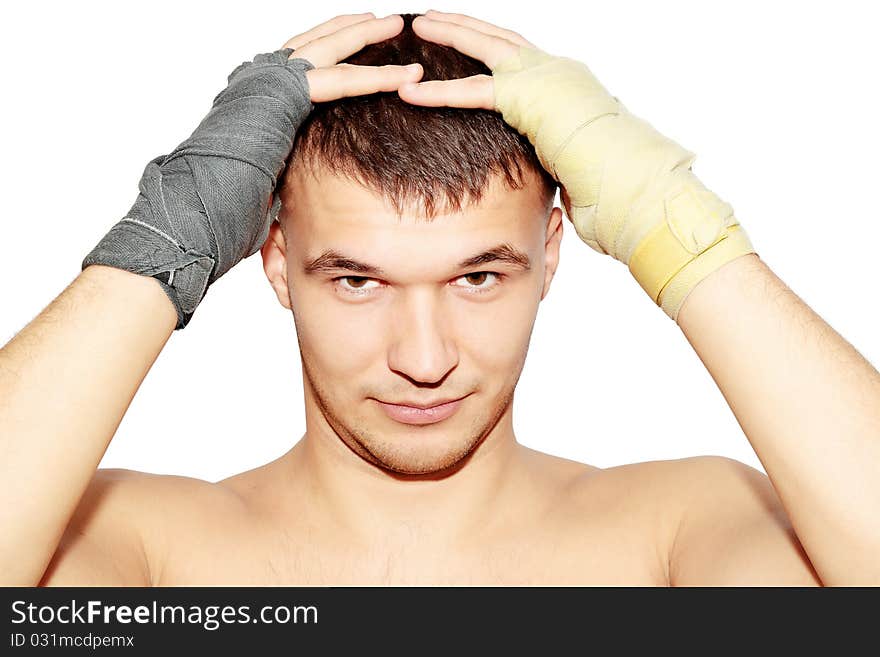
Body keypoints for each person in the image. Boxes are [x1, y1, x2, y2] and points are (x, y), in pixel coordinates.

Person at [1, 11, 877, 586]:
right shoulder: (151, 556)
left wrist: (676, 223)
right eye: (357, 280)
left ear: (552, 255)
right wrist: (166, 237)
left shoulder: (681, 538)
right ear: (273, 261)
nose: (424, 359)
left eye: (478, 276)